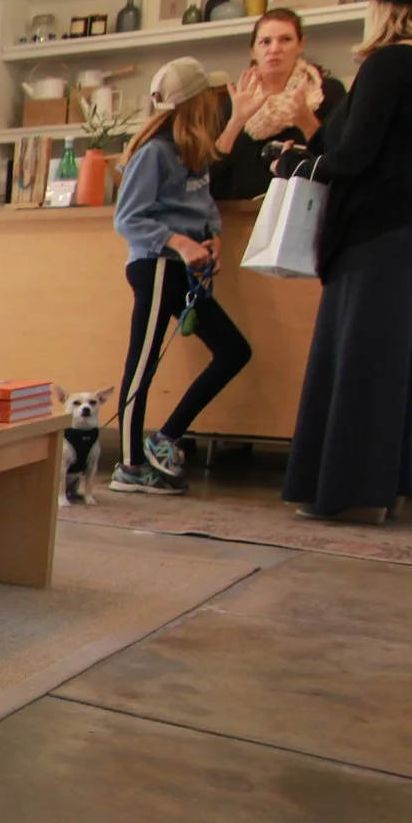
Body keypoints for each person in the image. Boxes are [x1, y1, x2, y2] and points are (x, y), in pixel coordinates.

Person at [271, 0, 412, 521]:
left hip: (379, 229)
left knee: (359, 355)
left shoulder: (390, 64)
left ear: (385, 6)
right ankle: (387, 488)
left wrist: (294, 165)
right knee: (398, 355)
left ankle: (349, 495)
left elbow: (354, 154)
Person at [107, 57, 255, 495]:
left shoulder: (192, 152)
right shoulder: (154, 152)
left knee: (234, 351)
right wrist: (180, 243)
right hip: (155, 266)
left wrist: (213, 238)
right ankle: (130, 466)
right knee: (143, 364)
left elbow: (204, 204)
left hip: (184, 271)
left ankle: (166, 437)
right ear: (197, 103)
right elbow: (127, 219)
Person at [208, 7, 348, 200]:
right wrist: (236, 122)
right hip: (242, 214)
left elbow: (342, 164)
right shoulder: (233, 102)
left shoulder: (327, 93)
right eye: (265, 42)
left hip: (305, 208)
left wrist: (307, 123)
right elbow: (205, 180)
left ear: (301, 44)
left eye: (285, 39)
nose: (274, 49)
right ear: (253, 51)